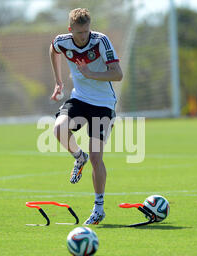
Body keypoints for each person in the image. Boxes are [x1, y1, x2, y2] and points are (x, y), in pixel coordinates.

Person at [49, 8, 123, 225]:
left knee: (96, 158)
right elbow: (52, 50)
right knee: (58, 129)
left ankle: (99, 208)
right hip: (79, 99)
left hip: (103, 104)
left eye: (86, 31)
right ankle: (77, 157)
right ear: (71, 30)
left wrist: (91, 74)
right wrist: (58, 81)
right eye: (80, 32)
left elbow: (118, 74)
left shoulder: (101, 41)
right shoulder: (63, 41)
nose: (84, 36)